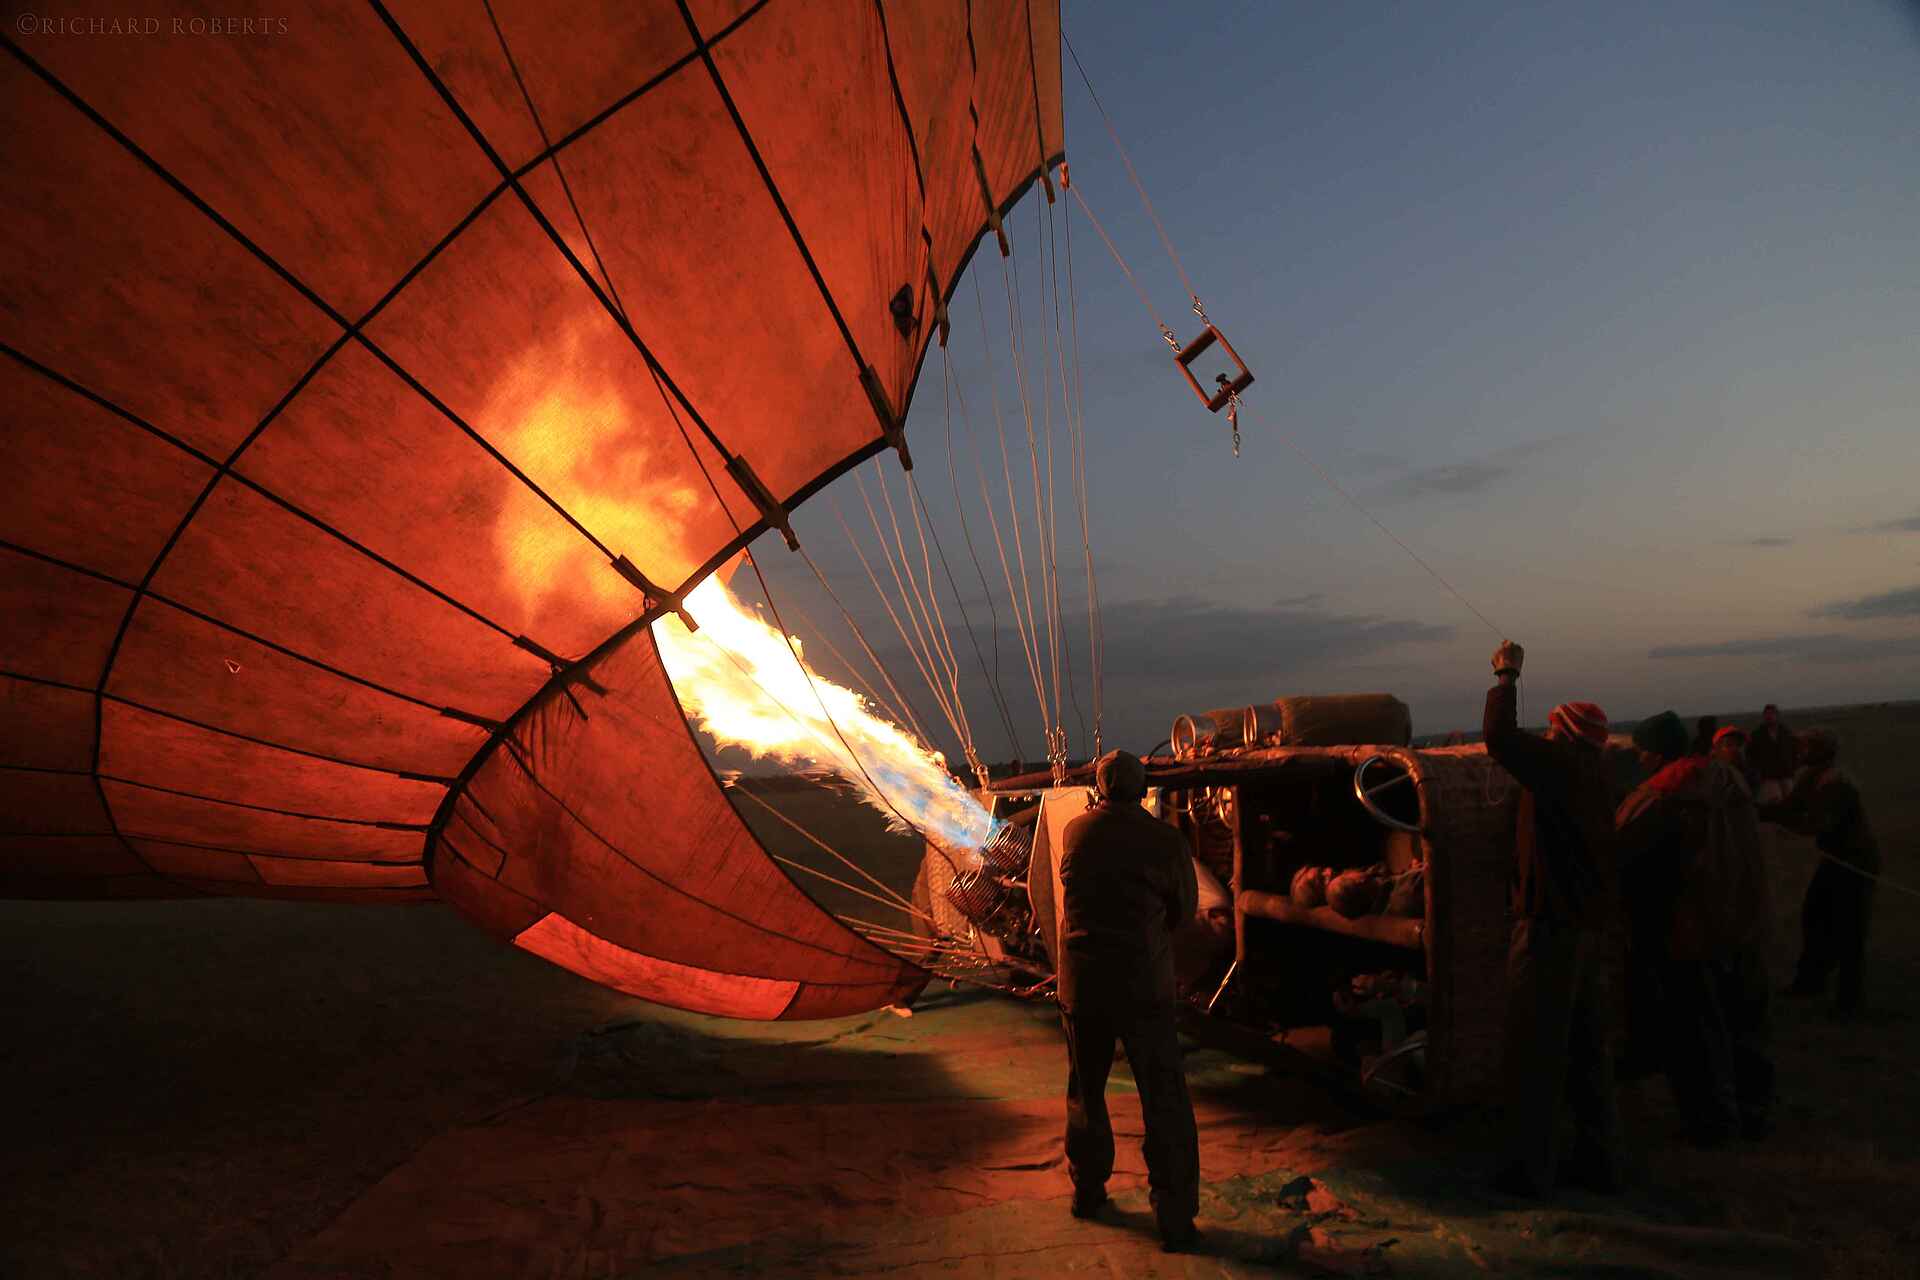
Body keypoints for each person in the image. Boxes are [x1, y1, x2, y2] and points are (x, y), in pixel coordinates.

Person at [1482, 642, 1621, 1196]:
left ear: (1563, 736)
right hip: (1586, 927)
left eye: (1550, 728)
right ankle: (1598, 1164)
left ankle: (1526, 1176)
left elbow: (1498, 738)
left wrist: (1506, 674)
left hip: (1548, 929)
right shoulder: (1596, 774)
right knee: (1586, 1051)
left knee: (1532, 1053)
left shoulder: (1559, 768)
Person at [1057, 749, 1201, 1251]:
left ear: (1099, 788)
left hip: (1083, 986)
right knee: (1164, 1100)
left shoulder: (1075, 831)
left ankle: (1087, 1192)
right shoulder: (1165, 840)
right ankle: (1174, 1218)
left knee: (1086, 1092)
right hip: (1143, 988)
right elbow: (1185, 911)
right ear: (1141, 790)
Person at [1616, 715, 1774, 1143]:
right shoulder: (1728, 779)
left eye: (1643, 751)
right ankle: (1753, 1111)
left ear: (1659, 753)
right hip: (1743, 917)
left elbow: (1618, 846)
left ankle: (1711, 1125)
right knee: (1744, 1022)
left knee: (1695, 1031)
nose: (1639, 759)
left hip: (1693, 926)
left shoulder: (1661, 792)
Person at [1762, 730, 1877, 1016]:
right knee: (1814, 916)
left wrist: (1777, 817)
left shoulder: (1836, 783)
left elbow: (1815, 824)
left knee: (1849, 930)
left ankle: (1850, 1001)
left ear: (1820, 751)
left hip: (1854, 862)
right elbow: (1789, 809)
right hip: (1835, 860)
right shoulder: (1811, 777)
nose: (1799, 752)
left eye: (1805, 747)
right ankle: (1810, 981)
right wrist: (1752, 809)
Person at [1747, 705, 1797, 806]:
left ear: (1777, 715)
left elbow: (1794, 750)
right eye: (1767, 714)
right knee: (1775, 801)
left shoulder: (1786, 732)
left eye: (1772, 714)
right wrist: (1757, 770)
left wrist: (1793, 766)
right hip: (1768, 775)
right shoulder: (1757, 734)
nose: (1769, 717)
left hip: (1786, 773)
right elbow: (1750, 754)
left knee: (1791, 800)